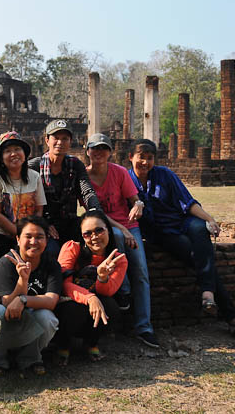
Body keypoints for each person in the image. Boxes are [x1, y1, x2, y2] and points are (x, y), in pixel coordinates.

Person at [127, 138, 235, 339]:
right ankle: (231, 316)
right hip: (162, 233)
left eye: (150, 158)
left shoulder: (164, 175)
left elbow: (188, 203)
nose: (145, 162)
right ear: (131, 157)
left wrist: (210, 219)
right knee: (199, 259)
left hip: (182, 222)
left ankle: (208, 294)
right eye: (141, 157)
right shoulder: (126, 180)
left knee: (201, 228)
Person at [85, 133, 159, 348]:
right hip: (104, 228)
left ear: (110, 152)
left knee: (142, 273)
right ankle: (124, 290)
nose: (99, 153)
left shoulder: (118, 172)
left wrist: (138, 205)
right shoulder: (83, 177)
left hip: (129, 226)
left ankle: (145, 327)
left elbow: (134, 200)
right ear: (87, 151)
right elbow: (96, 212)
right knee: (116, 235)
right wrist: (122, 231)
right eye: (94, 149)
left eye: (103, 149)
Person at [0, 215, 61, 376]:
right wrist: (23, 280)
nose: (34, 242)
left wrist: (23, 300)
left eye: (39, 237)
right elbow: (7, 302)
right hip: (5, 316)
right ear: (18, 239)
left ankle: (30, 359)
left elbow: (51, 301)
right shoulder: (6, 262)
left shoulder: (51, 264)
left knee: (47, 317)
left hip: (30, 317)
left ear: (47, 240)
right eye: (28, 236)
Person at [55, 210, 126, 365]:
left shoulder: (118, 260)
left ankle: (91, 343)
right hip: (70, 302)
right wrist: (90, 298)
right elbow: (64, 284)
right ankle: (63, 344)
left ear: (108, 229)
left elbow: (109, 291)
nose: (94, 237)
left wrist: (102, 277)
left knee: (111, 307)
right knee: (74, 309)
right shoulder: (72, 248)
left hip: (96, 302)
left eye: (99, 230)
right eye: (87, 234)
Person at [28, 119, 103, 251]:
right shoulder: (34, 166)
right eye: (56, 138)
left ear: (70, 141)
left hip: (70, 221)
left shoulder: (75, 165)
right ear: (47, 140)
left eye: (65, 138)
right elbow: (27, 200)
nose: (60, 142)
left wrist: (96, 212)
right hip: (44, 222)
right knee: (52, 250)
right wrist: (43, 223)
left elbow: (87, 191)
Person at [0, 131, 46, 257]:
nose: (13, 154)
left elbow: (39, 210)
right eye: (7, 151)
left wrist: (30, 234)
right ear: (1, 158)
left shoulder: (34, 177)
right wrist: (20, 235)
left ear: (25, 154)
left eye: (17, 149)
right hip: (1, 234)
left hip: (30, 233)